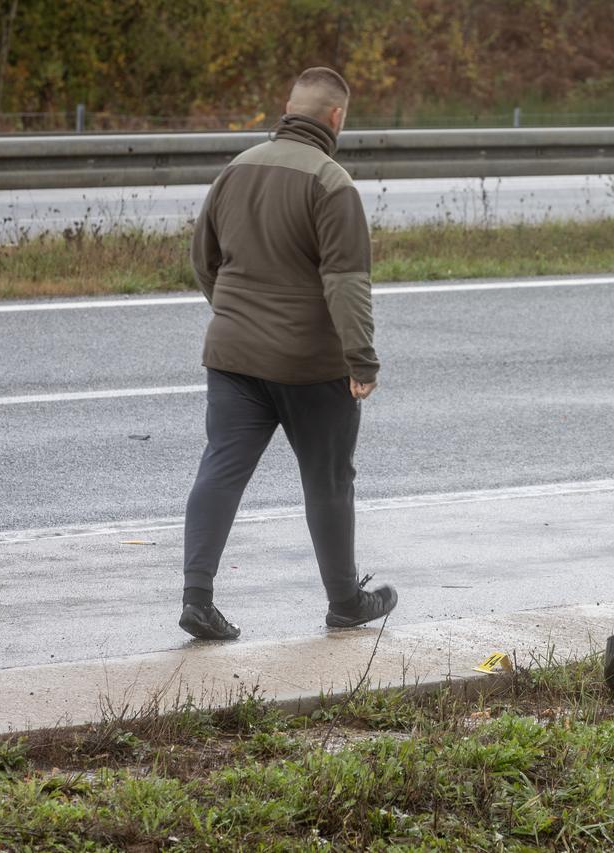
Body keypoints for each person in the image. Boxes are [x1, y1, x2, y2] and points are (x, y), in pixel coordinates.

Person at [178, 67, 396, 641]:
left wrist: (235, 318)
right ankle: (345, 601)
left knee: (221, 469)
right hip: (309, 366)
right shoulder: (332, 183)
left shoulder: (236, 168)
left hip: (232, 357)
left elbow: (204, 260)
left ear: (288, 108)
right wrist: (362, 360)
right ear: (336, 117)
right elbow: (346, 283)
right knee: (327, 481)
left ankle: (197, 598)